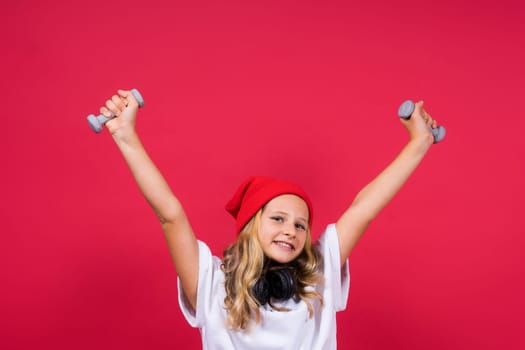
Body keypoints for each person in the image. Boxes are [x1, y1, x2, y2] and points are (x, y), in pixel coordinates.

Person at [98, 89, 440, 349]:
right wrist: (127, 137)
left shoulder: (319, 277)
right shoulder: (211, 284)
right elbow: (169, 215)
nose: (290, 231)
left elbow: (363, 209)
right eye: (278, 218)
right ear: (250, 225)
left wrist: (419, 144)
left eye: (300, 225)